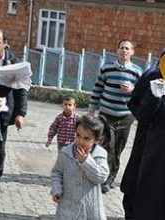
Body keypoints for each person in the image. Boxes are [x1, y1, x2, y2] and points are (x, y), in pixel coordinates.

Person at [88, 39, 142, 193]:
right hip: (106, 115)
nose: (124, 51)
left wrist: (133, 89)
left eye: (127, 48)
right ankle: (103, 179)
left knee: (118, 148)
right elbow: (97, 89)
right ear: (117, 51)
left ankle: (111, 177)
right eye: (121, 48)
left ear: (132, 52)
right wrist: (92, 110)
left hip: (125, 117)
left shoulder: (137, 72)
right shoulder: (107, 69)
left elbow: (141, 93)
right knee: (106, 146)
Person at [120, 48, 165, 219]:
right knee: (139, 183)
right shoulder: (152, 76)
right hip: (148, 140)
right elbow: (135, 104)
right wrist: (153, 100)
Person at [0, 28, 28, 192]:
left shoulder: (14, 63)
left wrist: (20, 114)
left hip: (3, 112)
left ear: (5, 44)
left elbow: (22, 90)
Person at [50, 114, 109, 220]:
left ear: (97, 140)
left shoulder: (99, 155)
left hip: (90, 209)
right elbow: (56, 173)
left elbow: (101, 177)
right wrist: (57, 189)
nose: (81, 141)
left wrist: (86, 161)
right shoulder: (65, 153)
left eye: (87, 138)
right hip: (67, 208)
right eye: (78, 135)